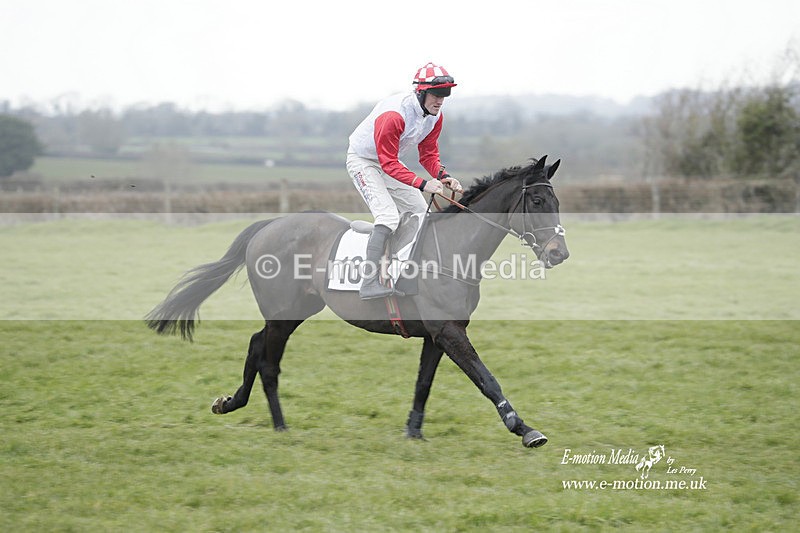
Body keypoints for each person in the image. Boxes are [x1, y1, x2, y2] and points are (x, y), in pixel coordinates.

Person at [346, 62, 462, 300]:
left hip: (388, 161)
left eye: (445, 94)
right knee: (388, 216)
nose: (440, 100)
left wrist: (443, 176)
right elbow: (388, 163)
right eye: (436, 94)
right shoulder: (394, 115)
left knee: (420, 211)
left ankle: (396, 266)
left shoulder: (434, 117)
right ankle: (369, 282)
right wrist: (423, 183)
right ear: (420, 92)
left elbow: (428, 154)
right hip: (364, 161)